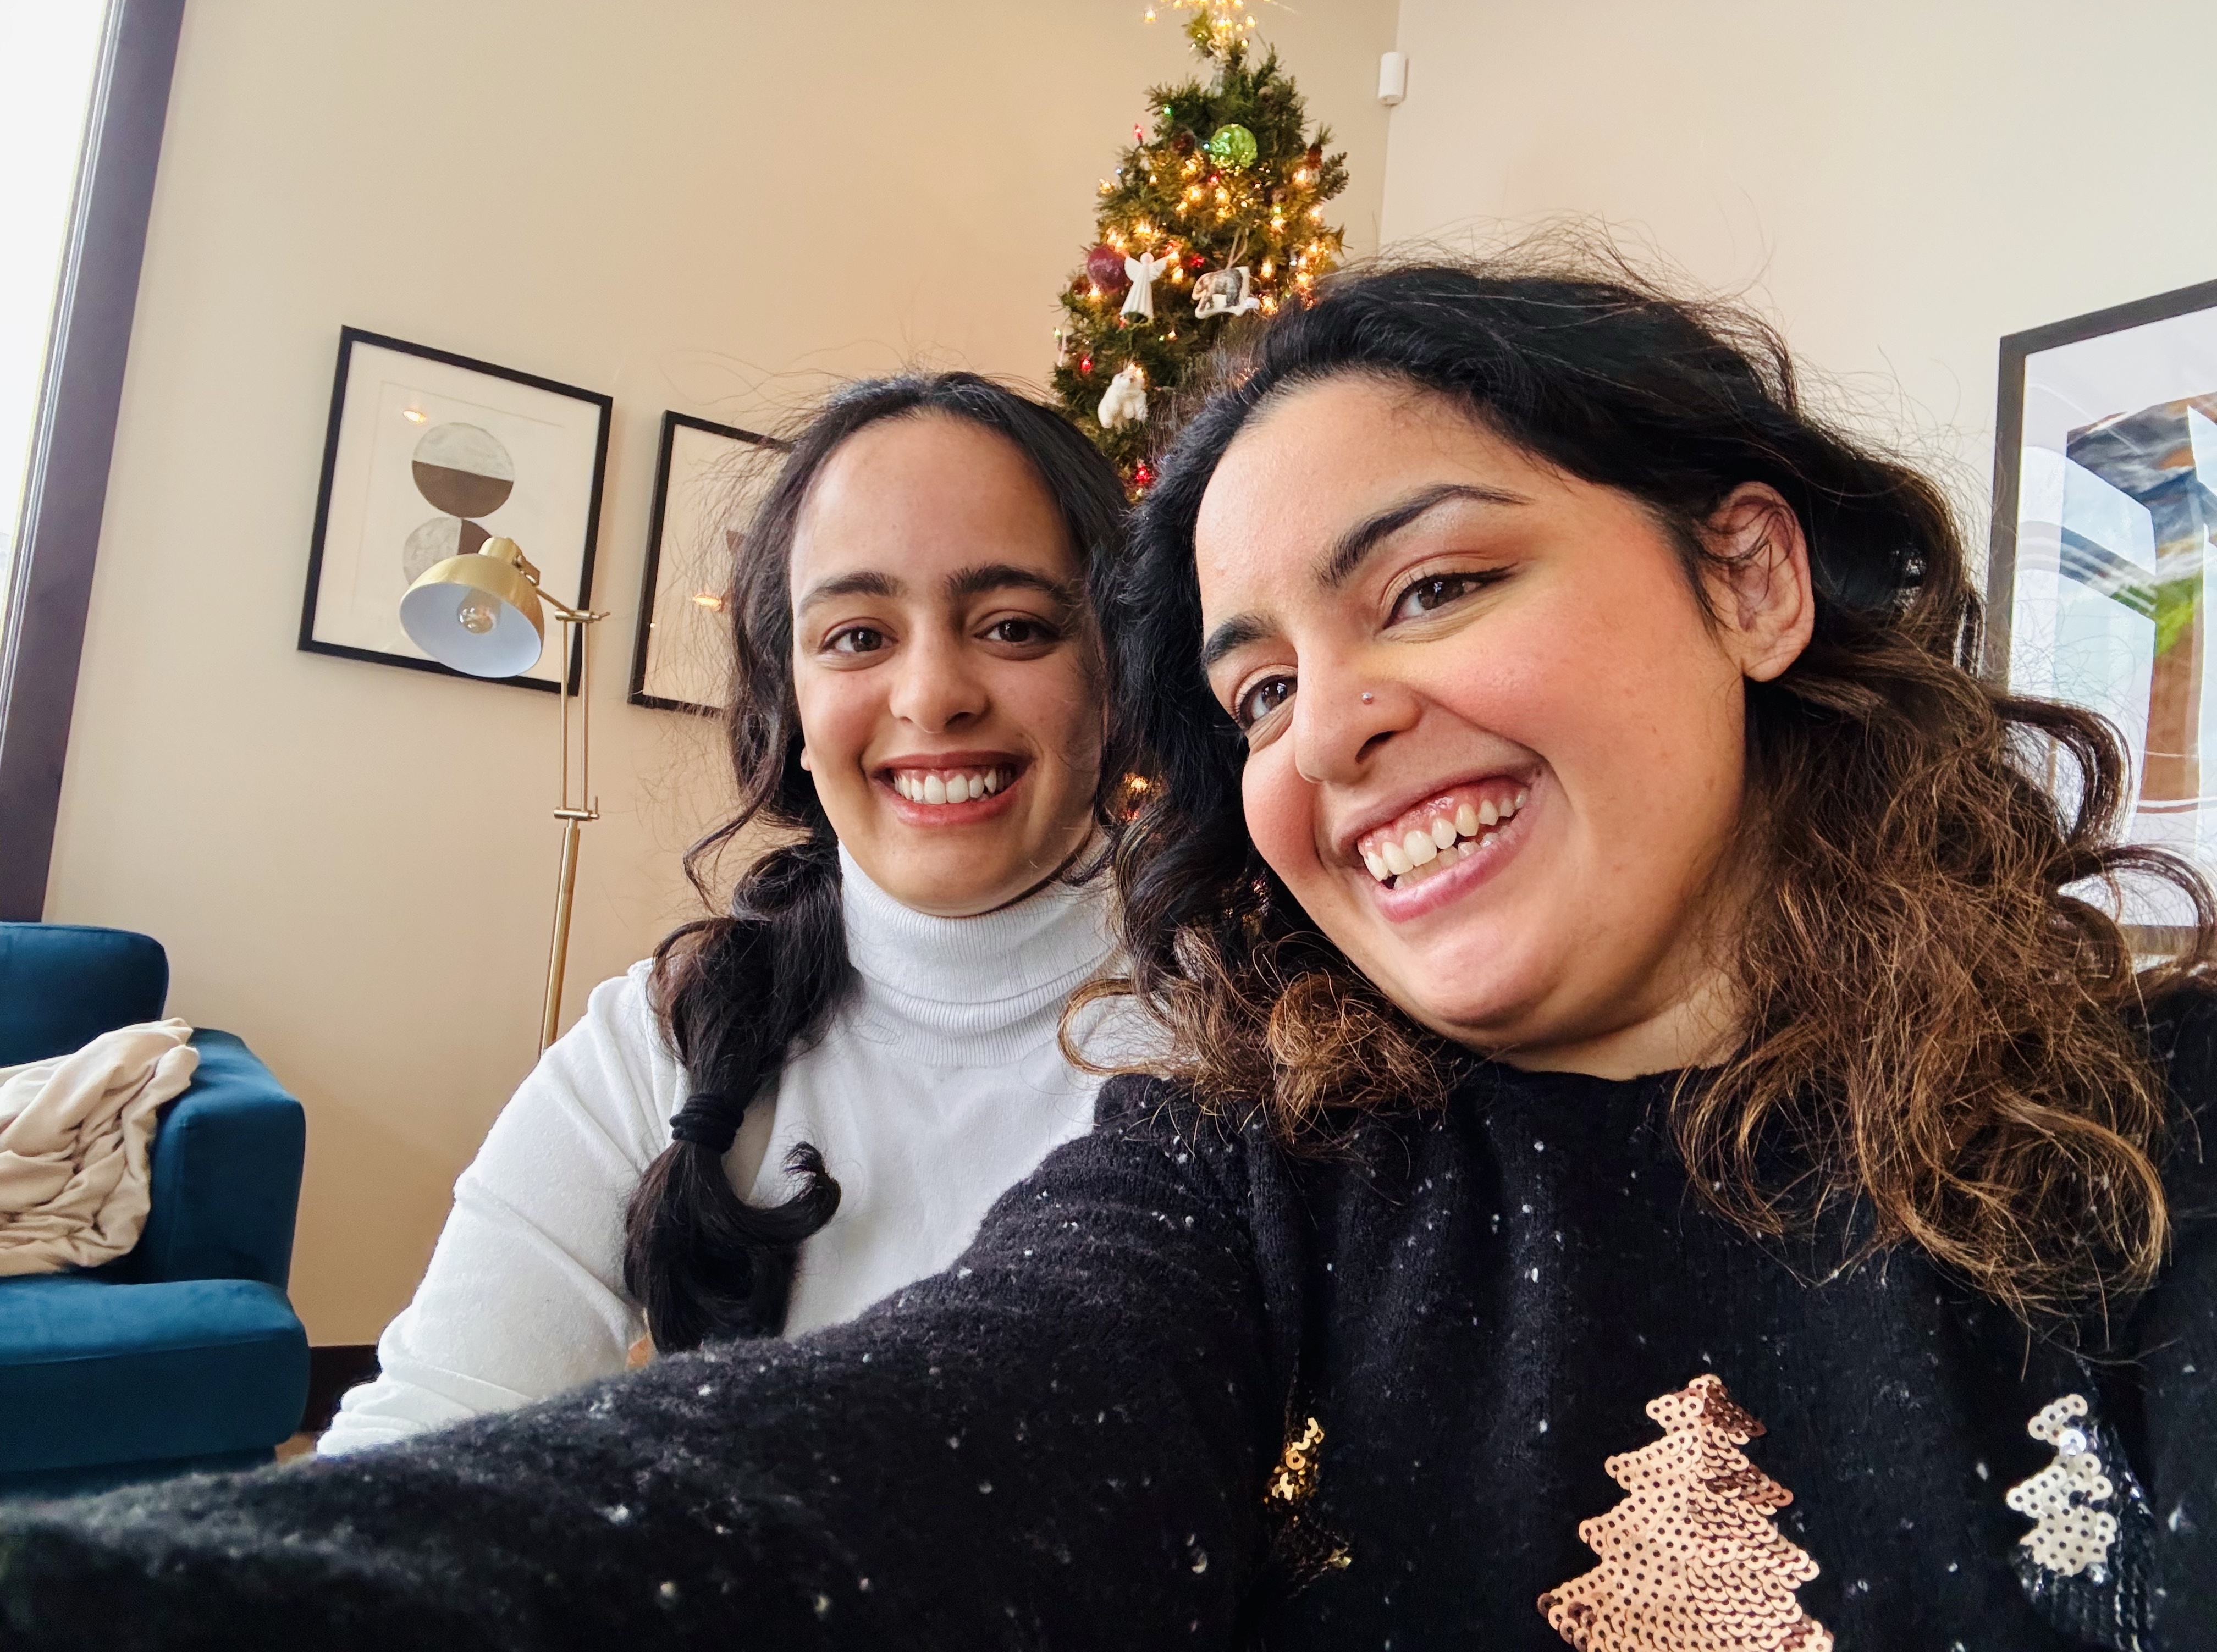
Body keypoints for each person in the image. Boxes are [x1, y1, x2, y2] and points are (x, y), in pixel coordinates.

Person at [3, 261, 2213, 1651]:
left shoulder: (2157, 1135)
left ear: (1748, 576)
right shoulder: (1254, 1157)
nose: (1331, 725)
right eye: (1261, 688)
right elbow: (914, 1441)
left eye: (1434, 586)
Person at [317, 372, 1134, 1452]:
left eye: (1015, 626)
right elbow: (425, 1431)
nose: (932, 695)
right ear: (788, 696)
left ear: (1118, 669)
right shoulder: (662, 1037)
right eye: (857, 636)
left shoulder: (1256, 1033)